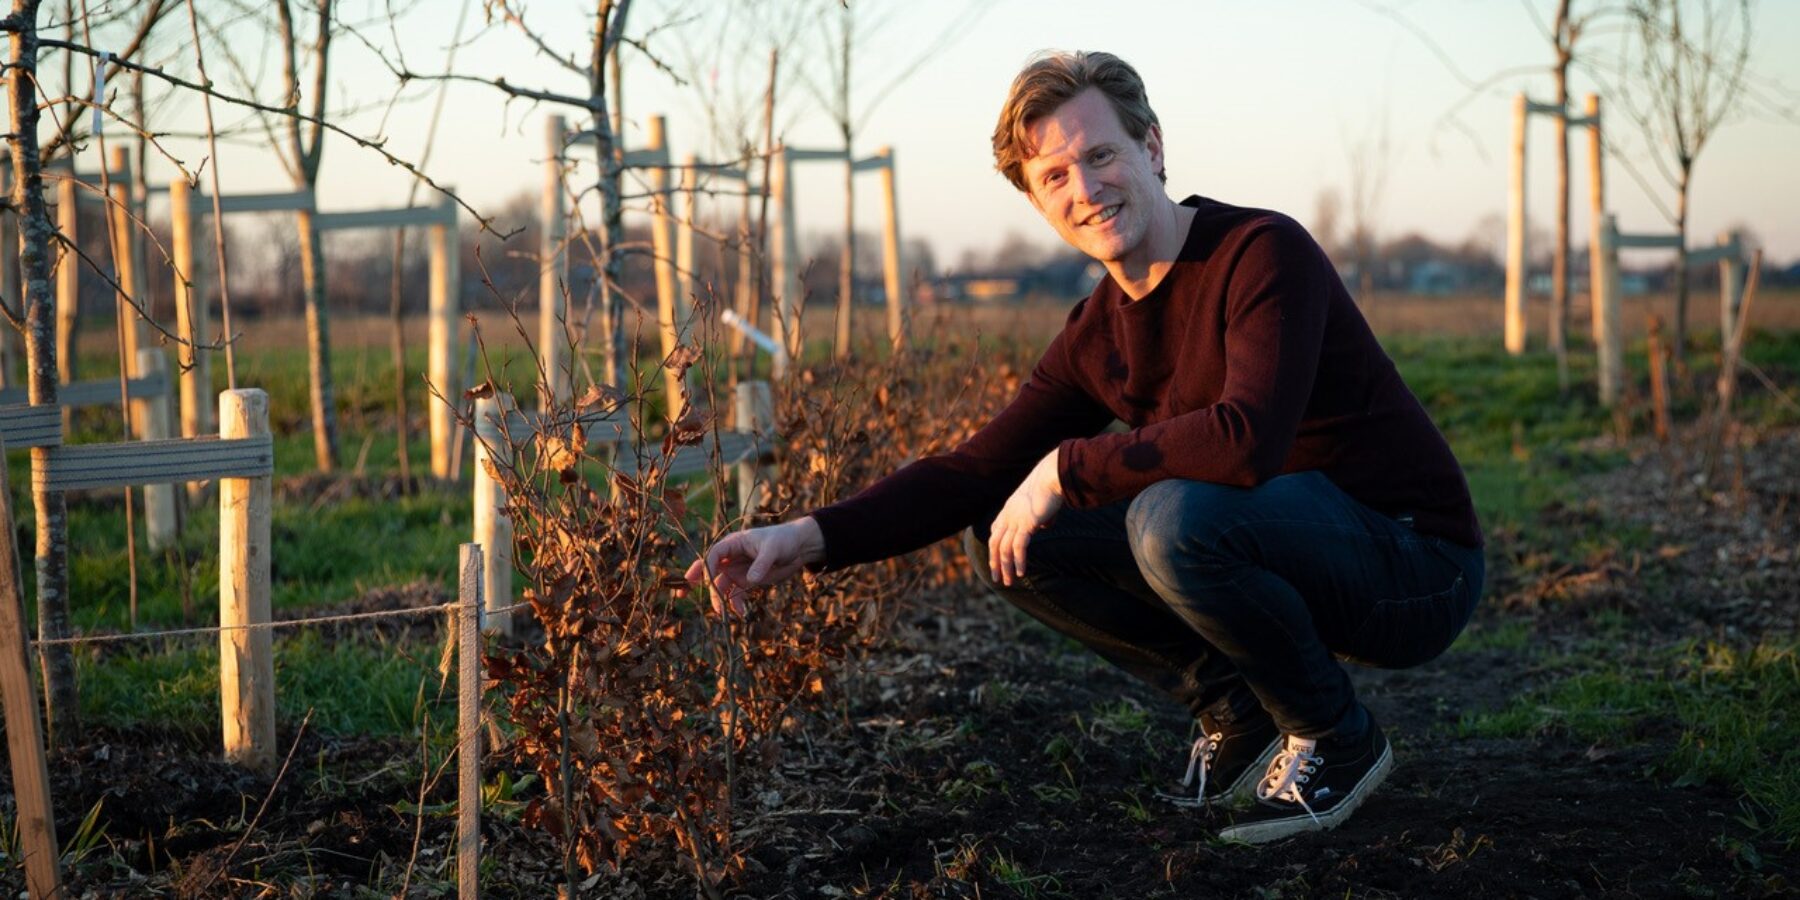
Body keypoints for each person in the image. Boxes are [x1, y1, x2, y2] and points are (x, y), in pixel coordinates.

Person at [685, 50, 1484, 845]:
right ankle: (1235, 710)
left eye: (1101, 155)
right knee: (1013, 532)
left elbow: (1248, 441)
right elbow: (974, 469)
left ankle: (1335, 737)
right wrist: (806, 536)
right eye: (1055, 176)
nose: (1086, 189)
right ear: (1037, 202)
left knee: (1171, 519)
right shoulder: (1096, 334)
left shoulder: (1260, 254)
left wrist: (1069, 466)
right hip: (1285, 552)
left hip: (1412, 564)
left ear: (1153, 148)